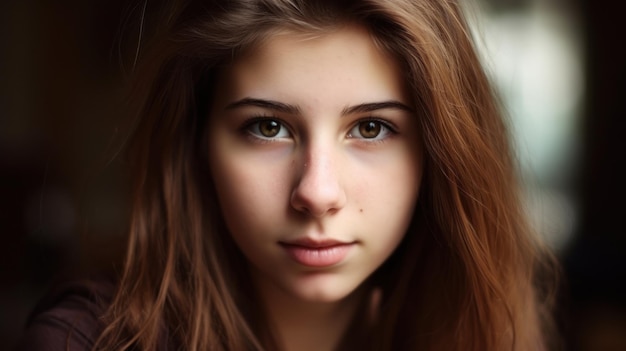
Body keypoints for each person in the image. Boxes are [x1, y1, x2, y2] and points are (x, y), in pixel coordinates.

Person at [16, 0, 559, 350]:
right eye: (268, 127)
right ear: (197, 141)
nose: (316, 193)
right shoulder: (83, 341)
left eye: (370, 129)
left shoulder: (489, 330)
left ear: (441, 153)